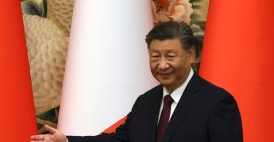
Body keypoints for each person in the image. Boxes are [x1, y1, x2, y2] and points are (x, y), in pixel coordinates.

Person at [31, 22, 243, 142]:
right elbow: (120, 141)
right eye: (155, 56)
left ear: (190, 54)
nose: (162, 65)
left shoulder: (217, 102)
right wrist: (67, 140)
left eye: (170, 56)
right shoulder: (145, 102)